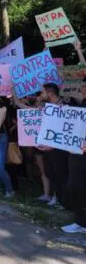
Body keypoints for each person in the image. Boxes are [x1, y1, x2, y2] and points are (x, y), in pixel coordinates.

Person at [62, 77, 86, 234]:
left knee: (77, 187)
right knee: (75, 187)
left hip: (82, 154)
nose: (83, 88)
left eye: (85, 86)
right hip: (77, 154)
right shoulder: (83, 103)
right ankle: (81, 221)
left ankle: (81, 223)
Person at [39, 83, 69, 208]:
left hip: (59, 148)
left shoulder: (65, 106)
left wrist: (54, 146)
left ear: (50, 94)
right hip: (48, 146)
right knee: (51, 172)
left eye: (43, 93)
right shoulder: (47, 107)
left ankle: (64, 201)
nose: (41, 95)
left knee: (61, 174)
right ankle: (56, 197)